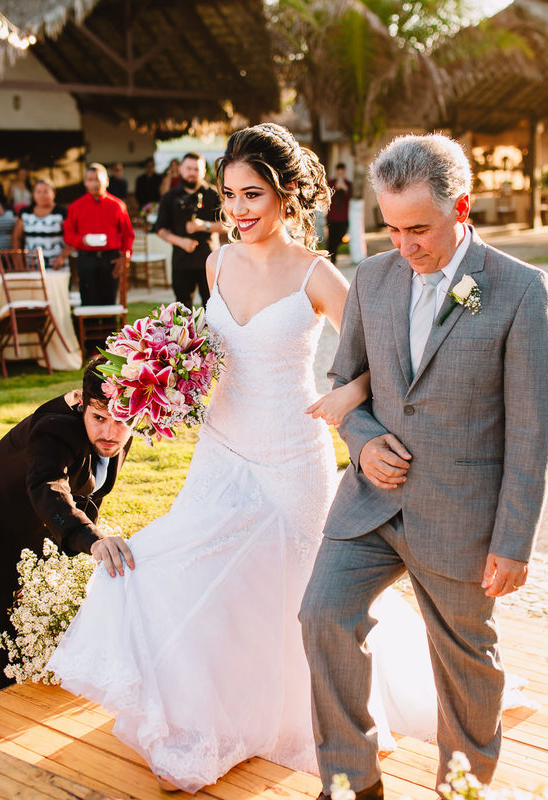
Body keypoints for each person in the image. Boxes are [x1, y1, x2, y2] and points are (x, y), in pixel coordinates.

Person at [45, 123, 438, 793]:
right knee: (183, 570)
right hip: (221, 450)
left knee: (294, 595)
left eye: (252, 194)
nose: (239, 210)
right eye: (229, 195)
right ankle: (202, 719)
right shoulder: (218, 261)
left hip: (292, 457)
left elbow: (387, 356)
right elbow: (212, 351)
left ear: (287, 195)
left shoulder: (317, 273)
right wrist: (166, 375)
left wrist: (348, 391)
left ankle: (314, 719)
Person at [300, 134, 548, 798]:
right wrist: (360, 438)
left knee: (466, 668)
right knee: (322, 615)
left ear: (462, 207)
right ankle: (350, 782)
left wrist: (513, 540)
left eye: (418, 228)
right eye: (391, 227)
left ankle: (462, 791)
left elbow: (533, 431)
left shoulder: (522, 291)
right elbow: (346, 376)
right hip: (371, 504)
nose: (404, 244)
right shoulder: (372, 279)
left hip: (460, 515)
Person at [0, 359, 134, 688]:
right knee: (12, 650)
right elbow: (48, 488)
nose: (110, 433)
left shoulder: (114, 432)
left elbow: (93, 490)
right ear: (81, 402)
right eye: (98, 418)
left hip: (47, 532)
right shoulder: (53, 428)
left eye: (122, 420)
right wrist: (91, 539)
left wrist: (75, 550)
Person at [154, 152, 225, 308]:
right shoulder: (169, 197)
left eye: (196, 169)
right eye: (189, 168)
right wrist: (181, 242)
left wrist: (204, 226)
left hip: (209, 260)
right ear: (180, 169)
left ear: (204, 171)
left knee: (214, 307)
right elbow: (160, 229)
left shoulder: (213, 194)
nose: (192, 173)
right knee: (182, 310)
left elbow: (228, 225)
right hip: (181, 261)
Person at [61, 163, 133, 303]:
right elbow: (68, 235)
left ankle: (111, 325)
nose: (94, 184)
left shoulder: (117, 206)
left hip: (110, 258)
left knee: (109, 301)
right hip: (86, 258)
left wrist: (124, 258)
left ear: (106, 181)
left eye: (97, 180)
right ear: (85, 182)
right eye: (90, 180)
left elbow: (128, 235)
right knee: (88, 302)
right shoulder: (76, 207)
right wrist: (82, 240)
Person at [12, 178, 67, 268]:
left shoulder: (61, 213)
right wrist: (19, 262)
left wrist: (62, 257)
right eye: (38, 192)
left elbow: (70, 238)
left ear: (53, 193)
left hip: (56, 266)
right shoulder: (25, 213)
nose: (42, 195)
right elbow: (16, 237)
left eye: (46, 192)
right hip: (31, 266)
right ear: (33, 194)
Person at [325, 163, 352, 264]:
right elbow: (327, 197)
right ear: (336, 172)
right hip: (332, 216)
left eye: (342, 173)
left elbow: (350, 199)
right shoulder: (331, 183)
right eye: (338, 172)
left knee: (341, 236)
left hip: (343, 217)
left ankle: (332, 254)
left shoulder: (348, 184)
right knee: (331, 238)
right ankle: (332, 259)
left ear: (344, 173)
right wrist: (336, 188)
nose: (340, 174)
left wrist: (345, 189)